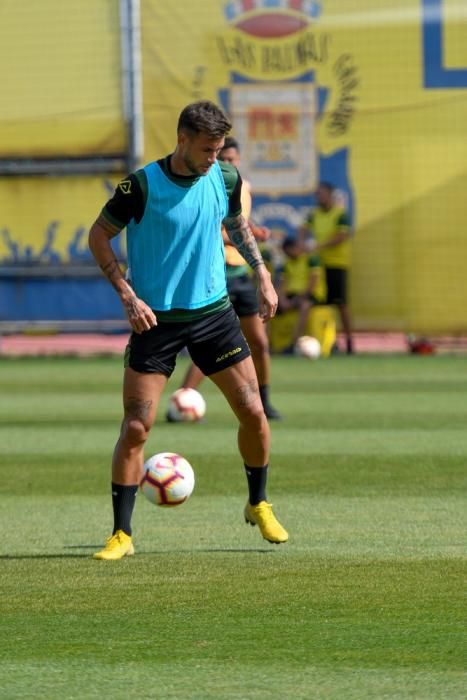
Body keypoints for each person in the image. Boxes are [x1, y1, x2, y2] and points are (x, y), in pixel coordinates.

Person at [88, 100, 288, 560]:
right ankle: (122, 534)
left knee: (253, 412)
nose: (214, 158)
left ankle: (258, 503)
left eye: (219, 150)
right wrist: (127, 294)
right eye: (207, 149)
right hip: (155, 321)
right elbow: (99, 235)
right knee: (137, 427)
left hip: (213, 316)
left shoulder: (225, 178)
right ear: (182, 140)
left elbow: (236, 222)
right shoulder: (140, 186)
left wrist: (261, 272)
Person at [169, 136, 282, 421]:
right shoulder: (204, 185)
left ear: (239, 161)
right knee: (212, 346)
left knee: (259, 342)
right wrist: (237, 238)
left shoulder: (242, 187)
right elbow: (207, 230)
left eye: (233, 160)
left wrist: (253, 231)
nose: (229, 164)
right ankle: (182, 400)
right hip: (213, 276)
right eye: (224, 159)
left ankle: (265, 402)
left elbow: (237, 222)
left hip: (240, 274)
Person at [300, 182, 354, 354]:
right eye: (317, 194)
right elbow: (302, 229)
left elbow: (342, 236)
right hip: (319, 267)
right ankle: (329, 342)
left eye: (321, 194)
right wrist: (303, 244)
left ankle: (350, 344)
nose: (318, 197)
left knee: (341, 304)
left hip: (337, 264)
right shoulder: (314, 214)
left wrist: (318, 246)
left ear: (330, 194)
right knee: (322, 305)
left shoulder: (340, 214)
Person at [275, 236, 322, 352]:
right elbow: (281, 285)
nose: (287, 254)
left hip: (310, 295)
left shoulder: (311, 260)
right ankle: (270, 346)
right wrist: (283, 300)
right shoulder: (286, 264)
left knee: (304, 306)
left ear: (294, 248)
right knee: (269, 309)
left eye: (287, 251)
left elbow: (313, 283)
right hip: (292, 296)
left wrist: (294, 301)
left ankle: (294, 343)